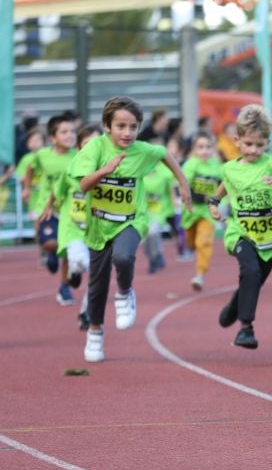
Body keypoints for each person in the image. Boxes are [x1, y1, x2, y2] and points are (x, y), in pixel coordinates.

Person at [68, 96, 191, 362]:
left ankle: (125, 293)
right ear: (107, 126)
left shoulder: (142, 149)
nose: (128, 133)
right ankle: (95, 332)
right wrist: (105, 170)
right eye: (121, 126)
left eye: (133, 127)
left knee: (123, 256)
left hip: (132, 219)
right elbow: (83, 185)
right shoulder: (94, 149)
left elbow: (164, 154)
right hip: (98, 224)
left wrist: (183, 182)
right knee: (97, 285)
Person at [208, 105, 272, 351]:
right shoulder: (230, 168)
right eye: (248, 144)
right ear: (237, 141)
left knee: (254, 280)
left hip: (271, 238)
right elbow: (225, 185)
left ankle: (234, 307)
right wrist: (214, 202)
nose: (253, 150)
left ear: (268, 142)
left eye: (259, 145)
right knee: (251, 272)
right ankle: (246, 328)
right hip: (240, 233)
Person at [40, 124, 102, 330]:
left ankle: (86, 312)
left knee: (97, 277)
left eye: (95, 144)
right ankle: (74, 270)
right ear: (79, 147)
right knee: (79, 260)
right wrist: (49, 206)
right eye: (86, 144)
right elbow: (57, 190)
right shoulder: (72, 169)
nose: (91, 148)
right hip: (73, 228)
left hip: (97, 232)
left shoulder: (109, 171)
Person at [23, 113, 78, 295]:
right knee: (50, 244)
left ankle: (64, 287)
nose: (69, 135)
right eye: (64, 132)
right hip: (46, 208)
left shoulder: (78, 156)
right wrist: (27, 188)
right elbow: (31, 168)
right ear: (53, 138)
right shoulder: (42, 155)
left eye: (72, 131)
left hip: (69, 210)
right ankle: (50, 254)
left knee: (68, 251)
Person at [181, 132, 223, 290]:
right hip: (191, 211)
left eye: (208, 147)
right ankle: (191, 247)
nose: (204, 151)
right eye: (200, 147)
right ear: (194, 149)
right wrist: (198, 197)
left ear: (213, 149)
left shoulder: (217, 166)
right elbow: (184, 185)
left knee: (203, 242)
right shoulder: (191, 165)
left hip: (207, 212)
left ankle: (200, 274)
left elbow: (223, 184)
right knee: (191, 242)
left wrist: (217, 201)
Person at [142, 139, 177, 274]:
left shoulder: (165, 172)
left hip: (159, 210)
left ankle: (156, 256)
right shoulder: (142, 169)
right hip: (143, 211)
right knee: (144, 240)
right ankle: (153, 257)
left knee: (153, 232)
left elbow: (172, 192)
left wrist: (175, 207)